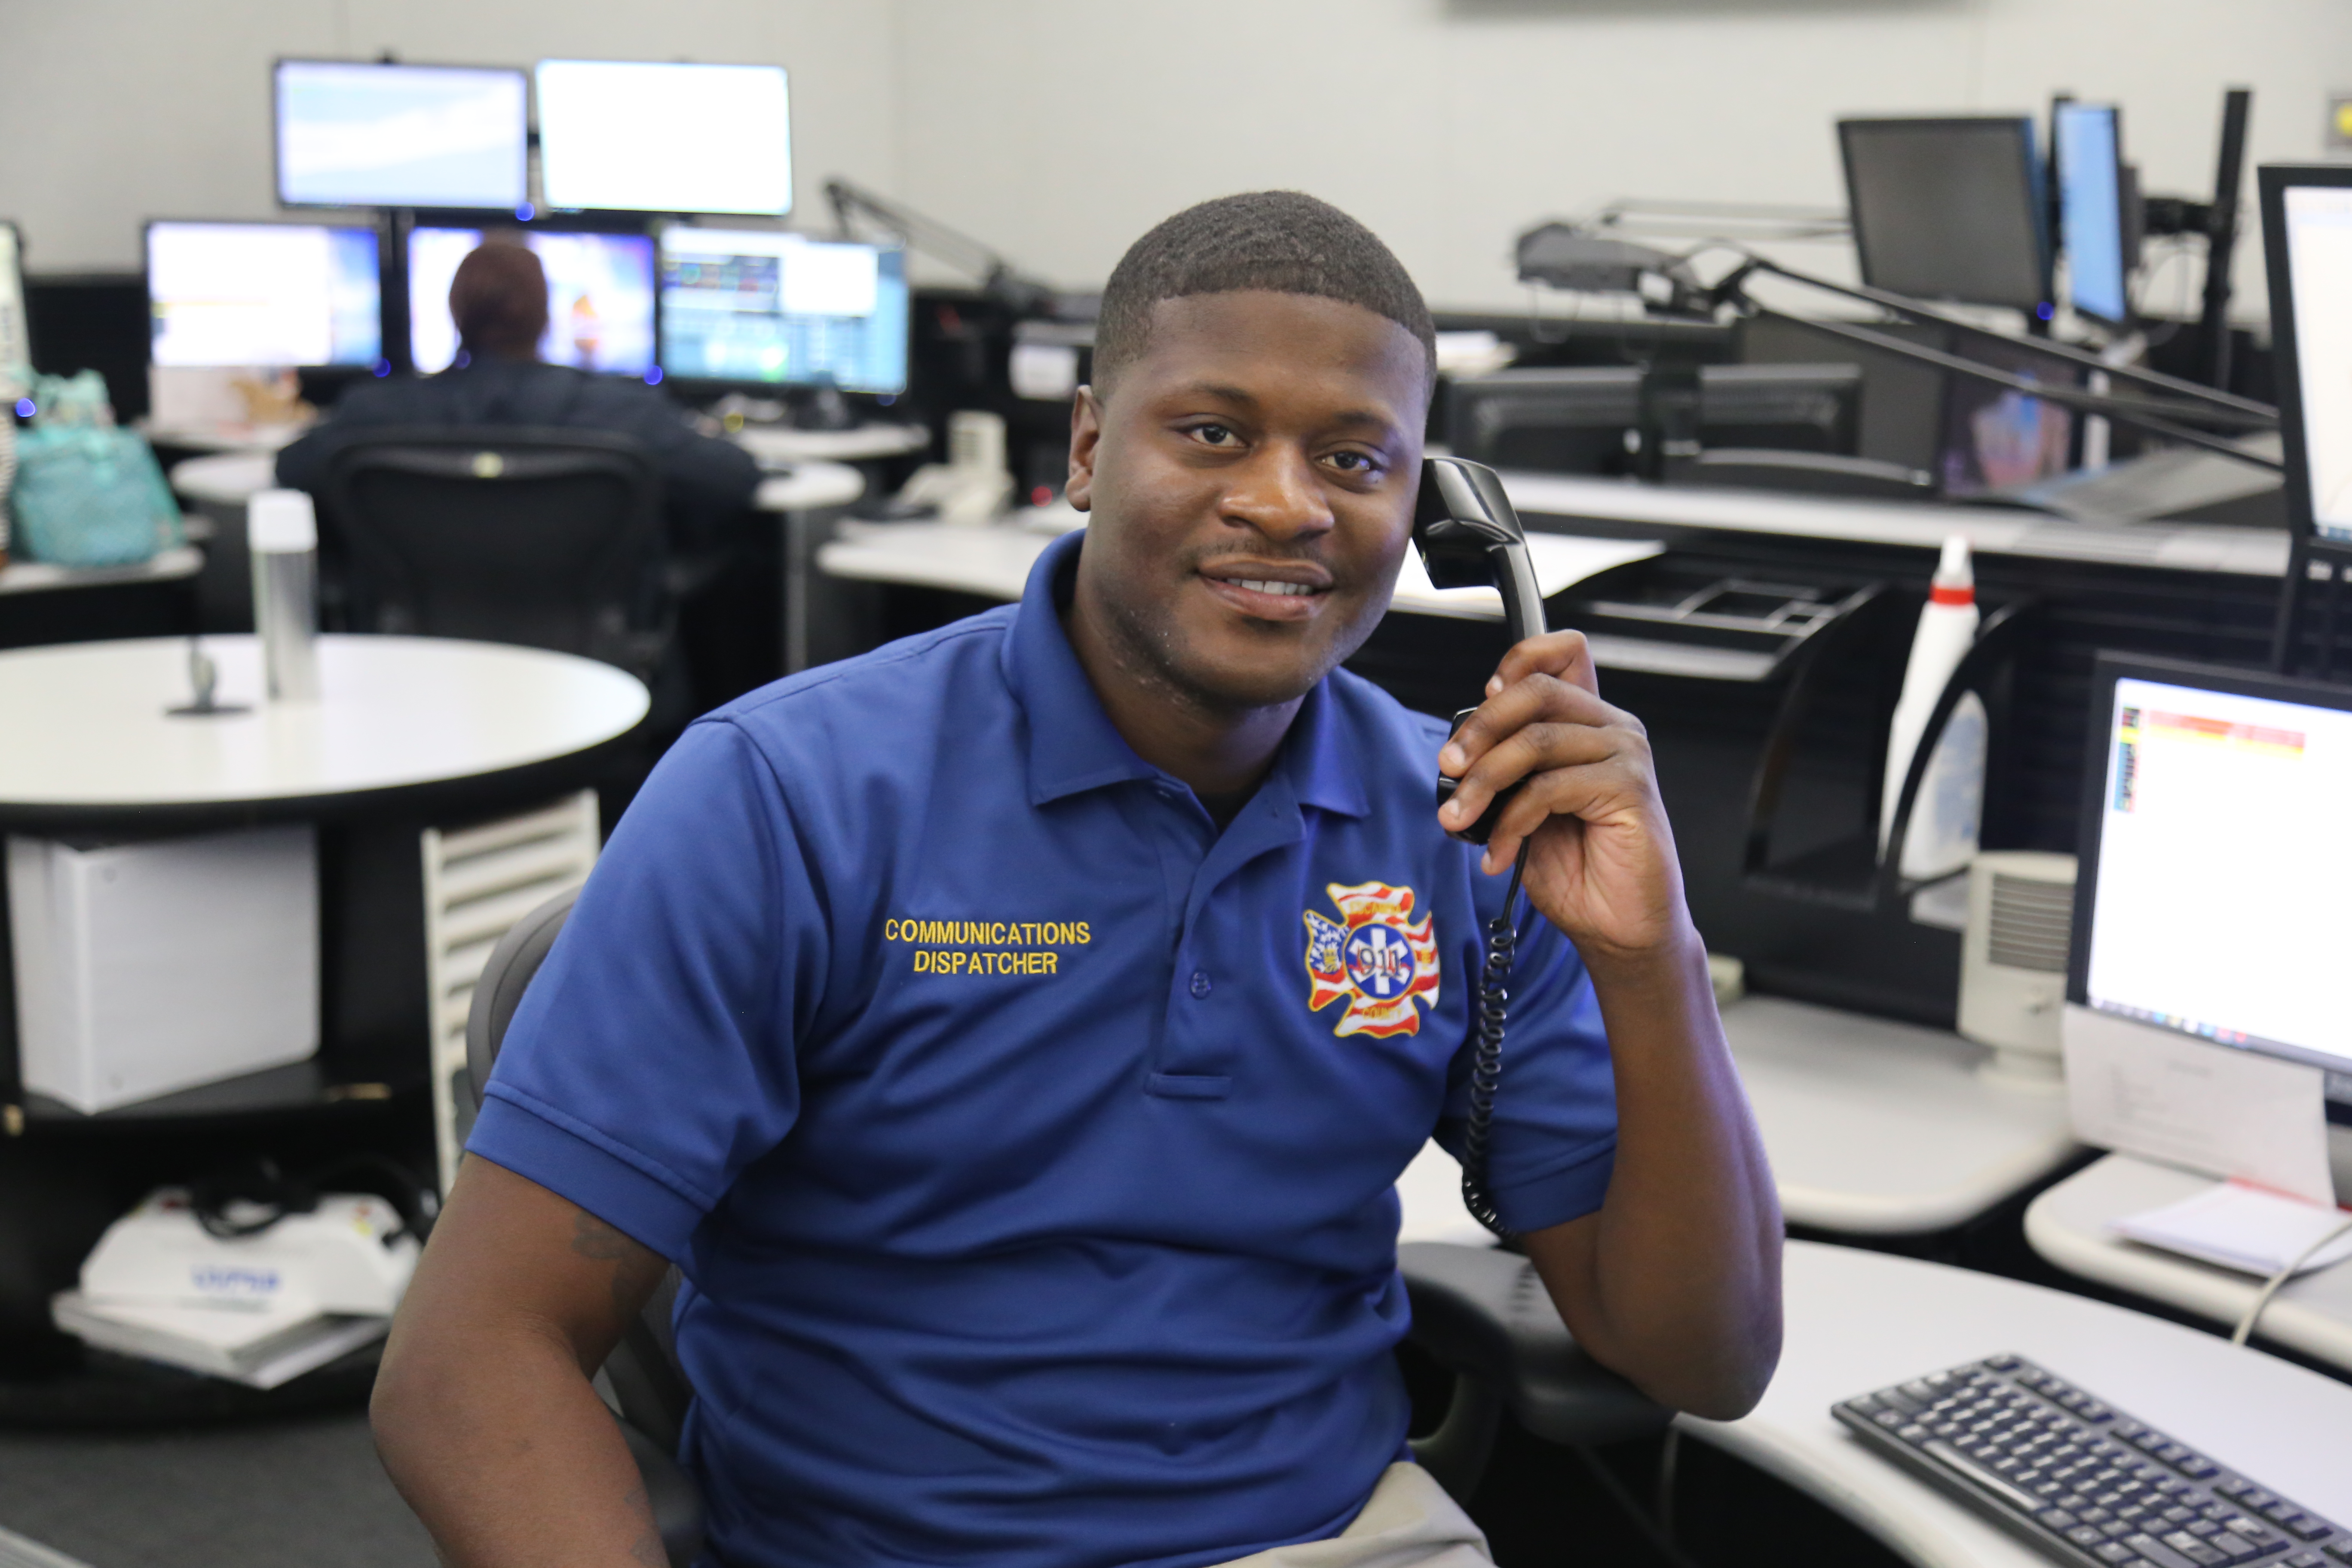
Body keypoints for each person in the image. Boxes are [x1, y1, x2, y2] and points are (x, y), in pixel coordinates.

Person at [371, 192, 1782, 1568]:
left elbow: (1701, 1355)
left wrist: (1648, 960)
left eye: (1356, 459)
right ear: (1092, 447)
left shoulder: (1464, 822)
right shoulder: (789, 793)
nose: (1285, 503)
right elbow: (466, 1362)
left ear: (1430, 507)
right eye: (1214, 430)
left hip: (1332, 1536)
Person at [275, 239, 759, 569]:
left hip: (418, 659)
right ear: (547, 316)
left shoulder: (375, 414)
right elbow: (735, 480)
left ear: (455, 314)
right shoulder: (625, 414)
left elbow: (290, 470)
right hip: (599, 668)